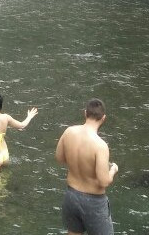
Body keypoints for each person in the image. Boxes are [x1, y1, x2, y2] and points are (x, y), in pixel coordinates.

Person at [55, 98, 118, 235]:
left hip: (71, 196)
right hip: (93, 202)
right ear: (103, 118)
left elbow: (59, 158)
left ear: (85, 113)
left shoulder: (68, 132)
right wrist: (113, 170)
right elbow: (104, 181)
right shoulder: (100, 145)